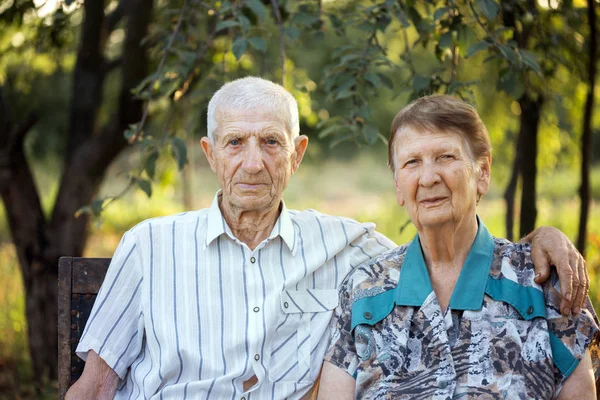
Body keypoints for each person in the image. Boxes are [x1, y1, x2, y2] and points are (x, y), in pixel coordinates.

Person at [66, 78, 588, 400]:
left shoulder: (349, 249)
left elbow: (447, 244)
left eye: (271, 142)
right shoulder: (148, 247)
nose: (253, 162)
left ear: (297, 154)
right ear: (209, 153)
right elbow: (94, 388)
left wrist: (541, 239)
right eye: (235, 143)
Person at [318, 95, 599, 399]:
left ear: (483, 172)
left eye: (446, 157)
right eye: (412, 162)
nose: (428, 178)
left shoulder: (544, 285)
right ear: (398, 185)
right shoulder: (364, 290)